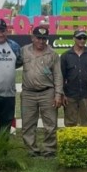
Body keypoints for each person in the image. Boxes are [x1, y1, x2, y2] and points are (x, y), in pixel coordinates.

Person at [20, 25, 63, 157]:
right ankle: (31, 149)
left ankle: (49, 149)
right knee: (28, 123)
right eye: (38, 38)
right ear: (32, 37)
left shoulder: (53, 54)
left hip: (47, 92)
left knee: (50, 123)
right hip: (28, 93)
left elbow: (58, 75)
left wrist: (58, 94)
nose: (41, 41)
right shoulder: (23, 51)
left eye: (44, 38)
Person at [60, 28, 87, 127]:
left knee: (86, 123)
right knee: (70, 123)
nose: (82, 40)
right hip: (70, 95)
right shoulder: (66, 56)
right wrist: (62, 94)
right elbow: (61, 77)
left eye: (84, 38)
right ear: (74, 38)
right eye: (79, 38)